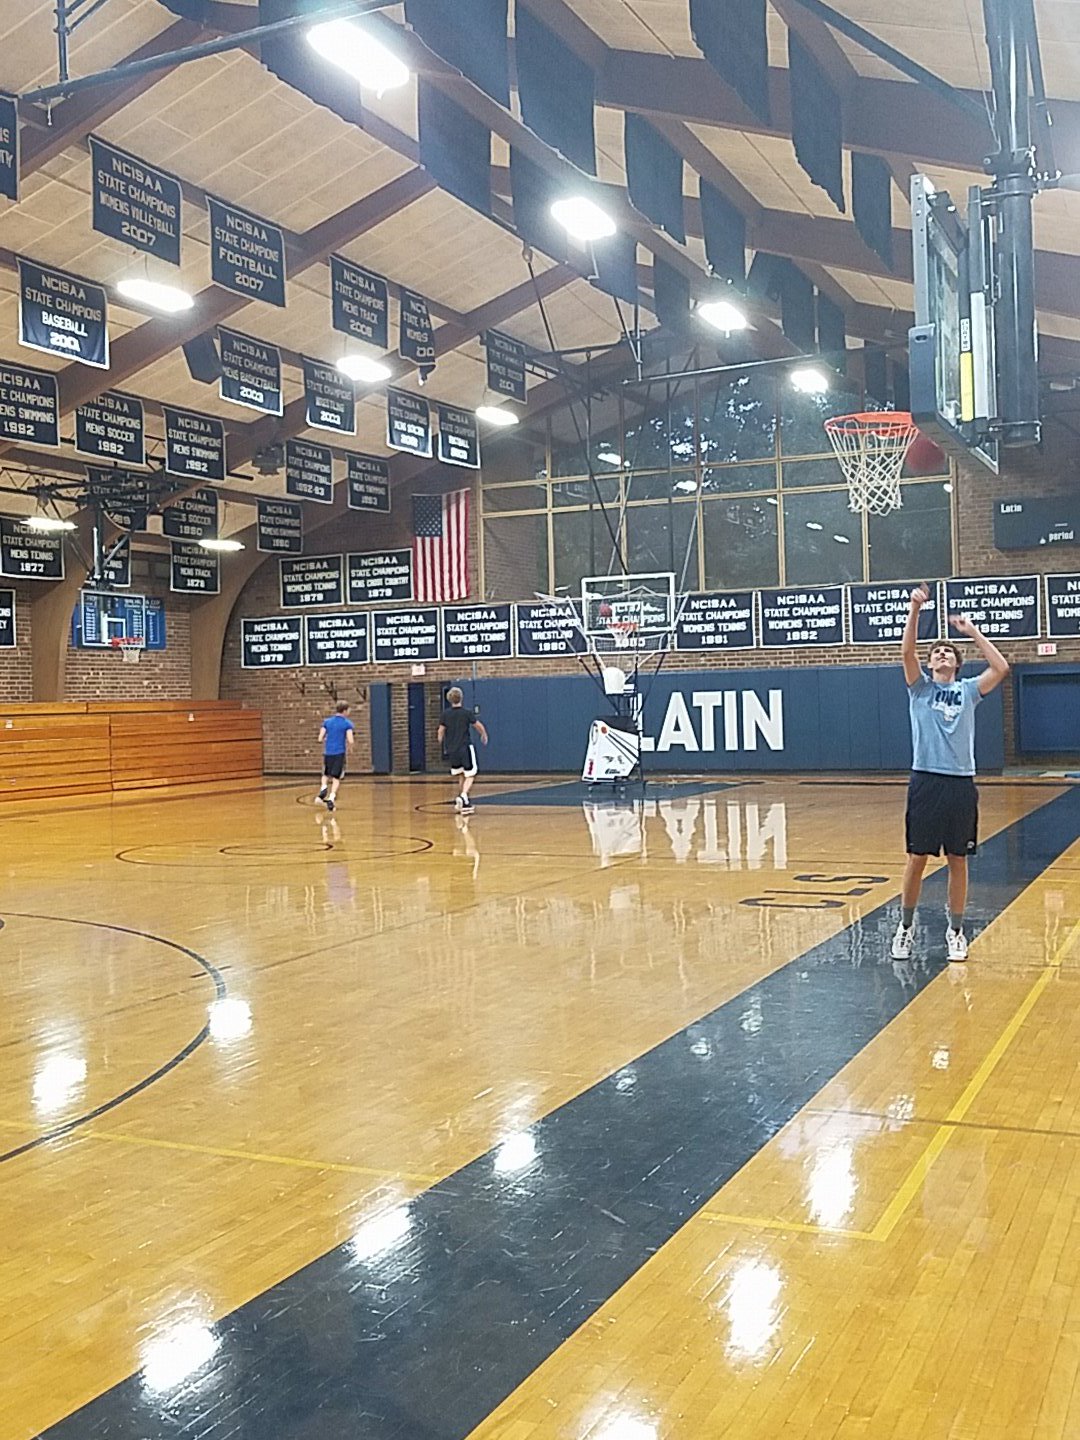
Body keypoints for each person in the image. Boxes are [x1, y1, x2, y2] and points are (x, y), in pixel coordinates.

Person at [892, 585, 1009, 963]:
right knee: (917, 858)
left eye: (948, 652)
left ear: (957, 664)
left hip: (960, 783)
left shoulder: (969, 690)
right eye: (936, 652)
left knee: (958, 859)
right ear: (929, 664)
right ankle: (905, 927)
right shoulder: (920, 690)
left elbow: (1001, 668)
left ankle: (955, 931)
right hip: (926, 780)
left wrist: (972, 631)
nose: (941, 654)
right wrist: (914, 608)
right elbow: (906, 652)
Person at [437, 687, 488, 813]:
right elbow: (478, 725)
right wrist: (483, 734)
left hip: (452, 749)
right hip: (464, 747)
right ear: (461, 698)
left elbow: (440, 731)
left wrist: (441, 741)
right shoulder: (466, 713)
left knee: (461, 774)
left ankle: (463, 801)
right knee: (470, 774)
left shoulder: (445, 714)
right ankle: (463, 796)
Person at [316, 701, 354, 813]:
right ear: (345, 711)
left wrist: (327, 740)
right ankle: (331, 797)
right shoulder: (347, 724)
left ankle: (323, 788)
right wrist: (351, 748)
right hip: (339, 753)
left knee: (325, 774)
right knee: (336, 777)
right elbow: (350, 739)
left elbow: (320, 738)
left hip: (328, 753)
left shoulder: (327, 722)